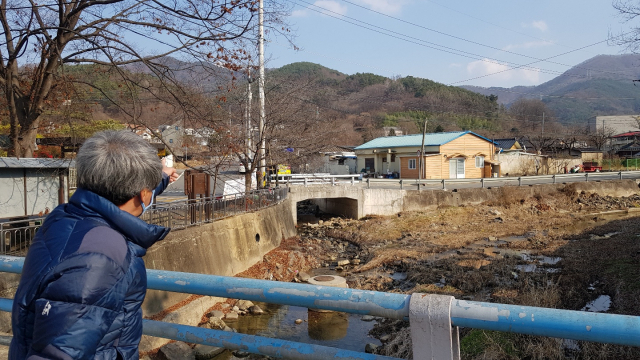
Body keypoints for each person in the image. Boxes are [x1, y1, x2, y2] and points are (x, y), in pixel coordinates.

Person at [9, 130, 179, 360]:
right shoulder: (100, 257)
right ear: (143, 194)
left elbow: (124, 195)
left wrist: (163, 178)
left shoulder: (66, 216)